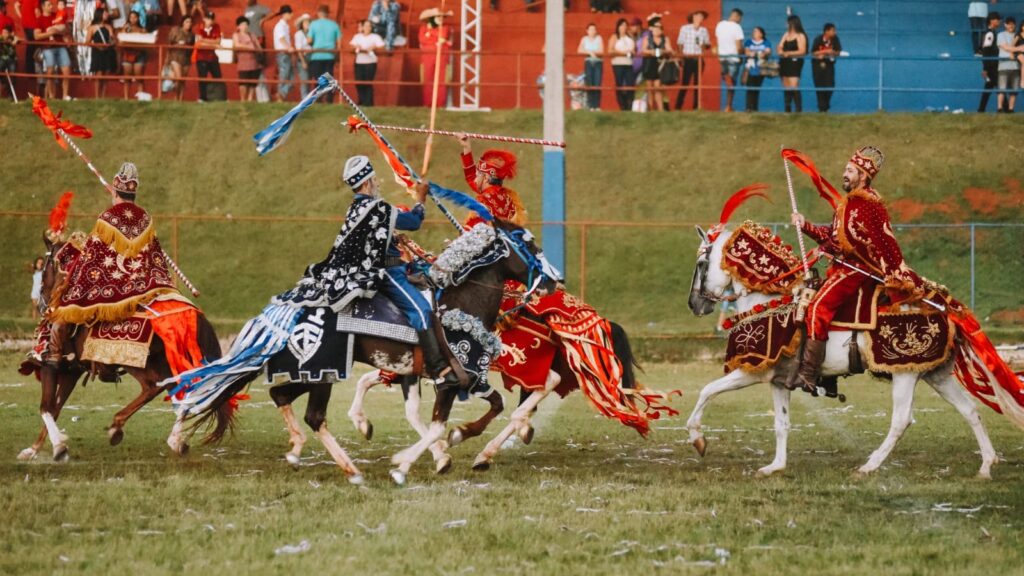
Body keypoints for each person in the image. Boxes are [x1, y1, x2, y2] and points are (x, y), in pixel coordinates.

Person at [273, 155, 464, 390]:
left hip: (395, 266)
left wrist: (393, 238)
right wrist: (420, 198)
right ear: (366, 183)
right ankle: (438, 371)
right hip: (389, 272)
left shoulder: (356, 209)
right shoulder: (376, 207)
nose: (378, 183)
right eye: (374, 179)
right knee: (422, 311)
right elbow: (413, 221)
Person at [789, 147, 924, 393]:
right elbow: (831, 237)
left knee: (818, 308)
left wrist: (844, 251)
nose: (844, 174)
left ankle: (809, 375)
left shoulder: (869, 204)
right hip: (841, 268)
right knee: (809, 301)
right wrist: (805, 224)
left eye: (850, 170)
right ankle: (828, 376)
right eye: (845, 169)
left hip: (858, 271)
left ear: (863, 175)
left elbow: (880, 243)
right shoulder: (847, 204)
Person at [45, 162, 179, 366]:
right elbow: (153, 256)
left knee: (64, 304)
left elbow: (92, 256)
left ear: (115, 192)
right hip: (144, 283)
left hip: (114, 285)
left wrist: (73, 252)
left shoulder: (107, 218)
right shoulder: (145, 218)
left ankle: (55, 354)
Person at [457, 133, 526, 227]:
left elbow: (472, 230)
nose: (474, 178)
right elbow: (470, 177)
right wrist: (466, 147)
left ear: (486, 178)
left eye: (478, 174)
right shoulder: (507, 196)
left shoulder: (484, 199)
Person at [674, 10, 709, 111]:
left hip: (698, 58)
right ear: (693, 16)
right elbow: (680, 43)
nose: (700, 19)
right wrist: (681, 57)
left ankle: (696, 107)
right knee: (685, 83)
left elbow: (707, 44)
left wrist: (705, 45)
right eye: (699, 16)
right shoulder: (685, 28)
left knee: (697, 84)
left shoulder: (704, 30)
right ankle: (678, 106)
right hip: (688, 58)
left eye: (702, 17)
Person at [35, 0, 70, 100]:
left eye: (51, 4)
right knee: (50, 71)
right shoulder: (40, 19)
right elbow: (36, 36)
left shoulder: (57, 15)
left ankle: (65, 96)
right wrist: (50, 34)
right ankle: (52, 96)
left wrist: (59, 30)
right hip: (48, 48)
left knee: (67, 70)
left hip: (60, 46)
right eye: (49, 5)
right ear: (43, 6)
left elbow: (66, 29)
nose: (51, 6)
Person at [418, 7, 451, 108]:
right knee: (427, 80)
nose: (441, 18)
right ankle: (427, 103)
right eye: (438, 16)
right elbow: (422, 40)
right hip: (427, 56)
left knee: (441, 80)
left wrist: (430, 34)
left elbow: (442, 37)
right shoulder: (423, 28)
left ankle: (440, 104)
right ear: (432, 18)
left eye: (442, 16)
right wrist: (436, 40)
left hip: (442, 56)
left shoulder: (445, 28)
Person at [307, 3, 341, 102]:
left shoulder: (313, 24)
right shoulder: (334, 25)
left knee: (318, 79)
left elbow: (309, 40)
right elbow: (338, 43)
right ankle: (329, 100)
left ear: (319, 13)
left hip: (317, 55)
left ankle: (318, 100)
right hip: (329, 55)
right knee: (329, 79)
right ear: (328, 14)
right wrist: (337, 56)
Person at [640, 13, 673, 112]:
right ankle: (650, 108)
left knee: (658, 87)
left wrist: (663, 51)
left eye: (659, 28)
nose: (657, 30)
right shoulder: (647, 39)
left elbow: (670, 49)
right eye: (656, 28)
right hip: (649, 63)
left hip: (660, 64)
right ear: (652, 29)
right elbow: (643, 50)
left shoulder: (665, 39)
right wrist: (652, 52)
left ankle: (660, 109)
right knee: (650, 88)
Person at [715, 8, 744, 112]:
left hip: (722, 57)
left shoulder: (720, 25)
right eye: (740, 18)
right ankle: (728, 106)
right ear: (737, 17)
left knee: (728, 81)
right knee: (732, 84)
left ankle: (728, 106)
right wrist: (742, 56)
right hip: (733, 58)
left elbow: (719, 40)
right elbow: (739, 46)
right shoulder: (737, 27)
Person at [350, 19, 384, 106]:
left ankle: (368, 103)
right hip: (359, 62)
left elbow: (382, 47)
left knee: (368, 83)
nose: (367, 28)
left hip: (371, 63)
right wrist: (355, 47)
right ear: (362, 27)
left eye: (369, 26)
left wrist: (374, 48)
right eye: (366, 26)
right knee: (359, 83)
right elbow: (350, 47)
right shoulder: (357, 36)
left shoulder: (375, 37)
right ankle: (361, 101)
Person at [777, 14, 807, 113]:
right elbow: (780, 46)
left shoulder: (800, 35)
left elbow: (802, 50)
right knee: (786, 86)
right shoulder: (786, 35)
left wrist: (789, 53)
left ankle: (798, 109)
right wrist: (781, 51)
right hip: (784, 62)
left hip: (794, 63)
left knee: (794, 85)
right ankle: (787, 108)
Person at [811, 23, 842, 113]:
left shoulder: (835, 39)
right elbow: (813, 52)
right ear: (826, 31)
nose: (834, 32)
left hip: (829, 66)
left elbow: (838, 51)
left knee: (830, 85)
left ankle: (825, 106)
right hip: (818, 66)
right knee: (819, 87)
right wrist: (824, 52)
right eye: (833, 30)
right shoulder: (818, 39)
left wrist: (833, 53)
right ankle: (822, 109)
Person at [193, 10, 222, 102]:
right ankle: (202, 97)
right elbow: (199, 44)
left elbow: (218, 41)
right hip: (201, 57)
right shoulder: (198, 27)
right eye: (208, 19)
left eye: (212, 19)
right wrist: (213, 44)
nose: (210, 21)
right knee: (202, 78)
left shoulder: (216, 27)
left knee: (218, 77)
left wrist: (204, 41)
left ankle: (219, 97)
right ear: (204, 19)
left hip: (212, 57)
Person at [87, 8, 117, 98]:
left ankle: (103, 96)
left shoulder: (109, 27)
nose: (107, 15)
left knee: (106, 74)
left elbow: (112, 38)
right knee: (99, 74)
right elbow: (87, 41)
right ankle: (97, 96)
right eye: (105, 13)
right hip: (97, 52)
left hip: (107, 52)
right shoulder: (92, 27)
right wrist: (97, 46)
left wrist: (112, 42)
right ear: (99, 15)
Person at [608, 18, 635, 111]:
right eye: (621, 25)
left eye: (625, 25)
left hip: (629, 63)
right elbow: (610, 51)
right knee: (619, 84)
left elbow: (634, 50)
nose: (623, 27)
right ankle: (622, 106)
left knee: (630, 84)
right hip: (618, 63)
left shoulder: (630, 37)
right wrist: (624, 53)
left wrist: (632, 52)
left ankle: (629, 105)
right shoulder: (614, 37)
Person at [119, 9, 146, 99]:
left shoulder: (142, 30)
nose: (133, 19)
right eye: (131, 17)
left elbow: (147, 42)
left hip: (139, 54)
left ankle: (140, 96)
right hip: (128, 54)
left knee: (139, 78)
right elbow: (121, 40)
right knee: (127, 79)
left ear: (138, 18)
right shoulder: (126, 28)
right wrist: (124, 29)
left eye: (135, 17)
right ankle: (126, 98)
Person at [742, 25, 770, 112]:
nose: (754, 33)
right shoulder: (749, 42)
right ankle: (748, 107)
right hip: (750, 67)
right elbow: (747, 51)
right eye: (753, 31)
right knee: (750, 87)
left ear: (761, 34)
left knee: (757, 88)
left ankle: (755, 108)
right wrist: (753, 53)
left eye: (756, 31)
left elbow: (767, 51)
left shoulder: (766, 42)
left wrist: (761, 53)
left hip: (760, 67)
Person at [233, 16, 261, 101]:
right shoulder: (236, 35)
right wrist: (249, 47)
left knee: (252, 84)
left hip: (254, 63)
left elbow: (259, 48)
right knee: (243, 83)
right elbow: (237, 45)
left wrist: (253, 47)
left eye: (246, 24)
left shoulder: (252, 35)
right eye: (242, 24)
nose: (245, 26)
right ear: (238, 26)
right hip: (243, 63)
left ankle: (250, 100)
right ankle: (243, 100)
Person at [577, 23, 604, 110]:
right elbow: (579, 50)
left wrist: (592, 53)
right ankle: (591, 105)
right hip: (588, 62)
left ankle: (597, 106)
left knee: (597, 83)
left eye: (594, 29)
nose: (592, 31)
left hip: (598, 62)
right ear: (587, 31)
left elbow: (601, 51)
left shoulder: (599, 38)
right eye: (591, 29)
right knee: (589, 83)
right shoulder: (584, 39)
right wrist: (590, 52)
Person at [166, 14, 193, 101]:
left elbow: (192, 48)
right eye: (187, 22)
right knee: (179, 78)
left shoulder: (192, 35)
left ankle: (180, 99)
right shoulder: (175, 30)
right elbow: (169, 44)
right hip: (175, 57)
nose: (189, 24)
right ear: (183, 23)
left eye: (190, 22)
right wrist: (167, 59)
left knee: (182, 81)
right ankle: (175, 97)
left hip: (186, 59)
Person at [978, 12, 1000, 112]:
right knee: (1000, 86)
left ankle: (981, 110)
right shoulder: (990, 33)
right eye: (997, 19)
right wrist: (986, 68)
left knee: (989, 87)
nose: (999, 21)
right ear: (991, 21)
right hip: (992, 66)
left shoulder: (992, 33)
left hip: (991, 66)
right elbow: (985, 51)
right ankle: (1006, 109)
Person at [271, 4, 293, 102]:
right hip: (283, 53)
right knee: (284, 75)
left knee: (290, 77)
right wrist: (288, 48)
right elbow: (281, 38)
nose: (291, 15)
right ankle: (280, 96)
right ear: (286, 14)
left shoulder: (284, 25)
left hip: (285, 53)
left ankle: (281, 94)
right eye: (290, 13)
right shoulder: (280, 26)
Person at [997, 16, 1018, 112]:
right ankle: (1000, 108)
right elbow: (1005, 47)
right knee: (1002, 89)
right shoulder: (1000, 35)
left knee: (1014, 90)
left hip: (1016, 66)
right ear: (1005, 25)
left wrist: (1013, 49)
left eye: (1012, 23)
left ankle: (1011, 109)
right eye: (1009, 23)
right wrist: (1018, 49)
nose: (1011, 25)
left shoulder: (1018, 36)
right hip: (1003, 66)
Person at [14, 0, 40, 71]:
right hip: (33, 24)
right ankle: (32, 70)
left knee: (30, 46)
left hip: (26, 24)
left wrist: (22, 17)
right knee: (34, 47)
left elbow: (16, 5)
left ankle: (30, 69)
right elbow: (37, 11)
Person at [293, 12, 311, 98]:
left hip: (311, 57)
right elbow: (299, 49)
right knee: (304, 81)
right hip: (303, 57)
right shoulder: (298, 34)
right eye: (305, 22)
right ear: (301, 24)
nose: (307, 24)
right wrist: (303, 61)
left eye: (308, 22)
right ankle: (304, 100)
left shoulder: (311, 34)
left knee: (309, 80)